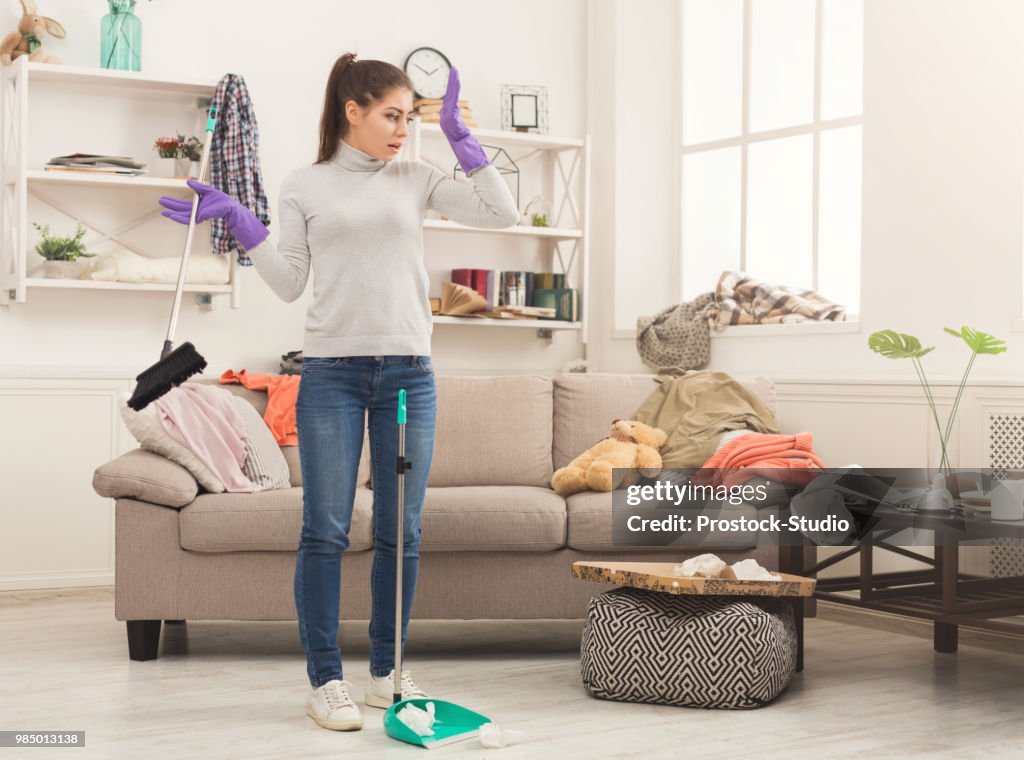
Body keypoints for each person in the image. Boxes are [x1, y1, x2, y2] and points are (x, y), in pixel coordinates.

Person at [159, 52, 519, 732]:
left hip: (410, 375)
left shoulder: (416, 176)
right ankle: (326, 679)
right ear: (352, 110)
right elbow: (290, 280)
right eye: (392, 115)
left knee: (400, 532)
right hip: (332, 376)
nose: (401, 130)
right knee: (324, 530)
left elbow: (500, 213)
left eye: (410, 118)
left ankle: (387, 671)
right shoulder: (305, 185)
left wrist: (461, 139)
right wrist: (241, 220)